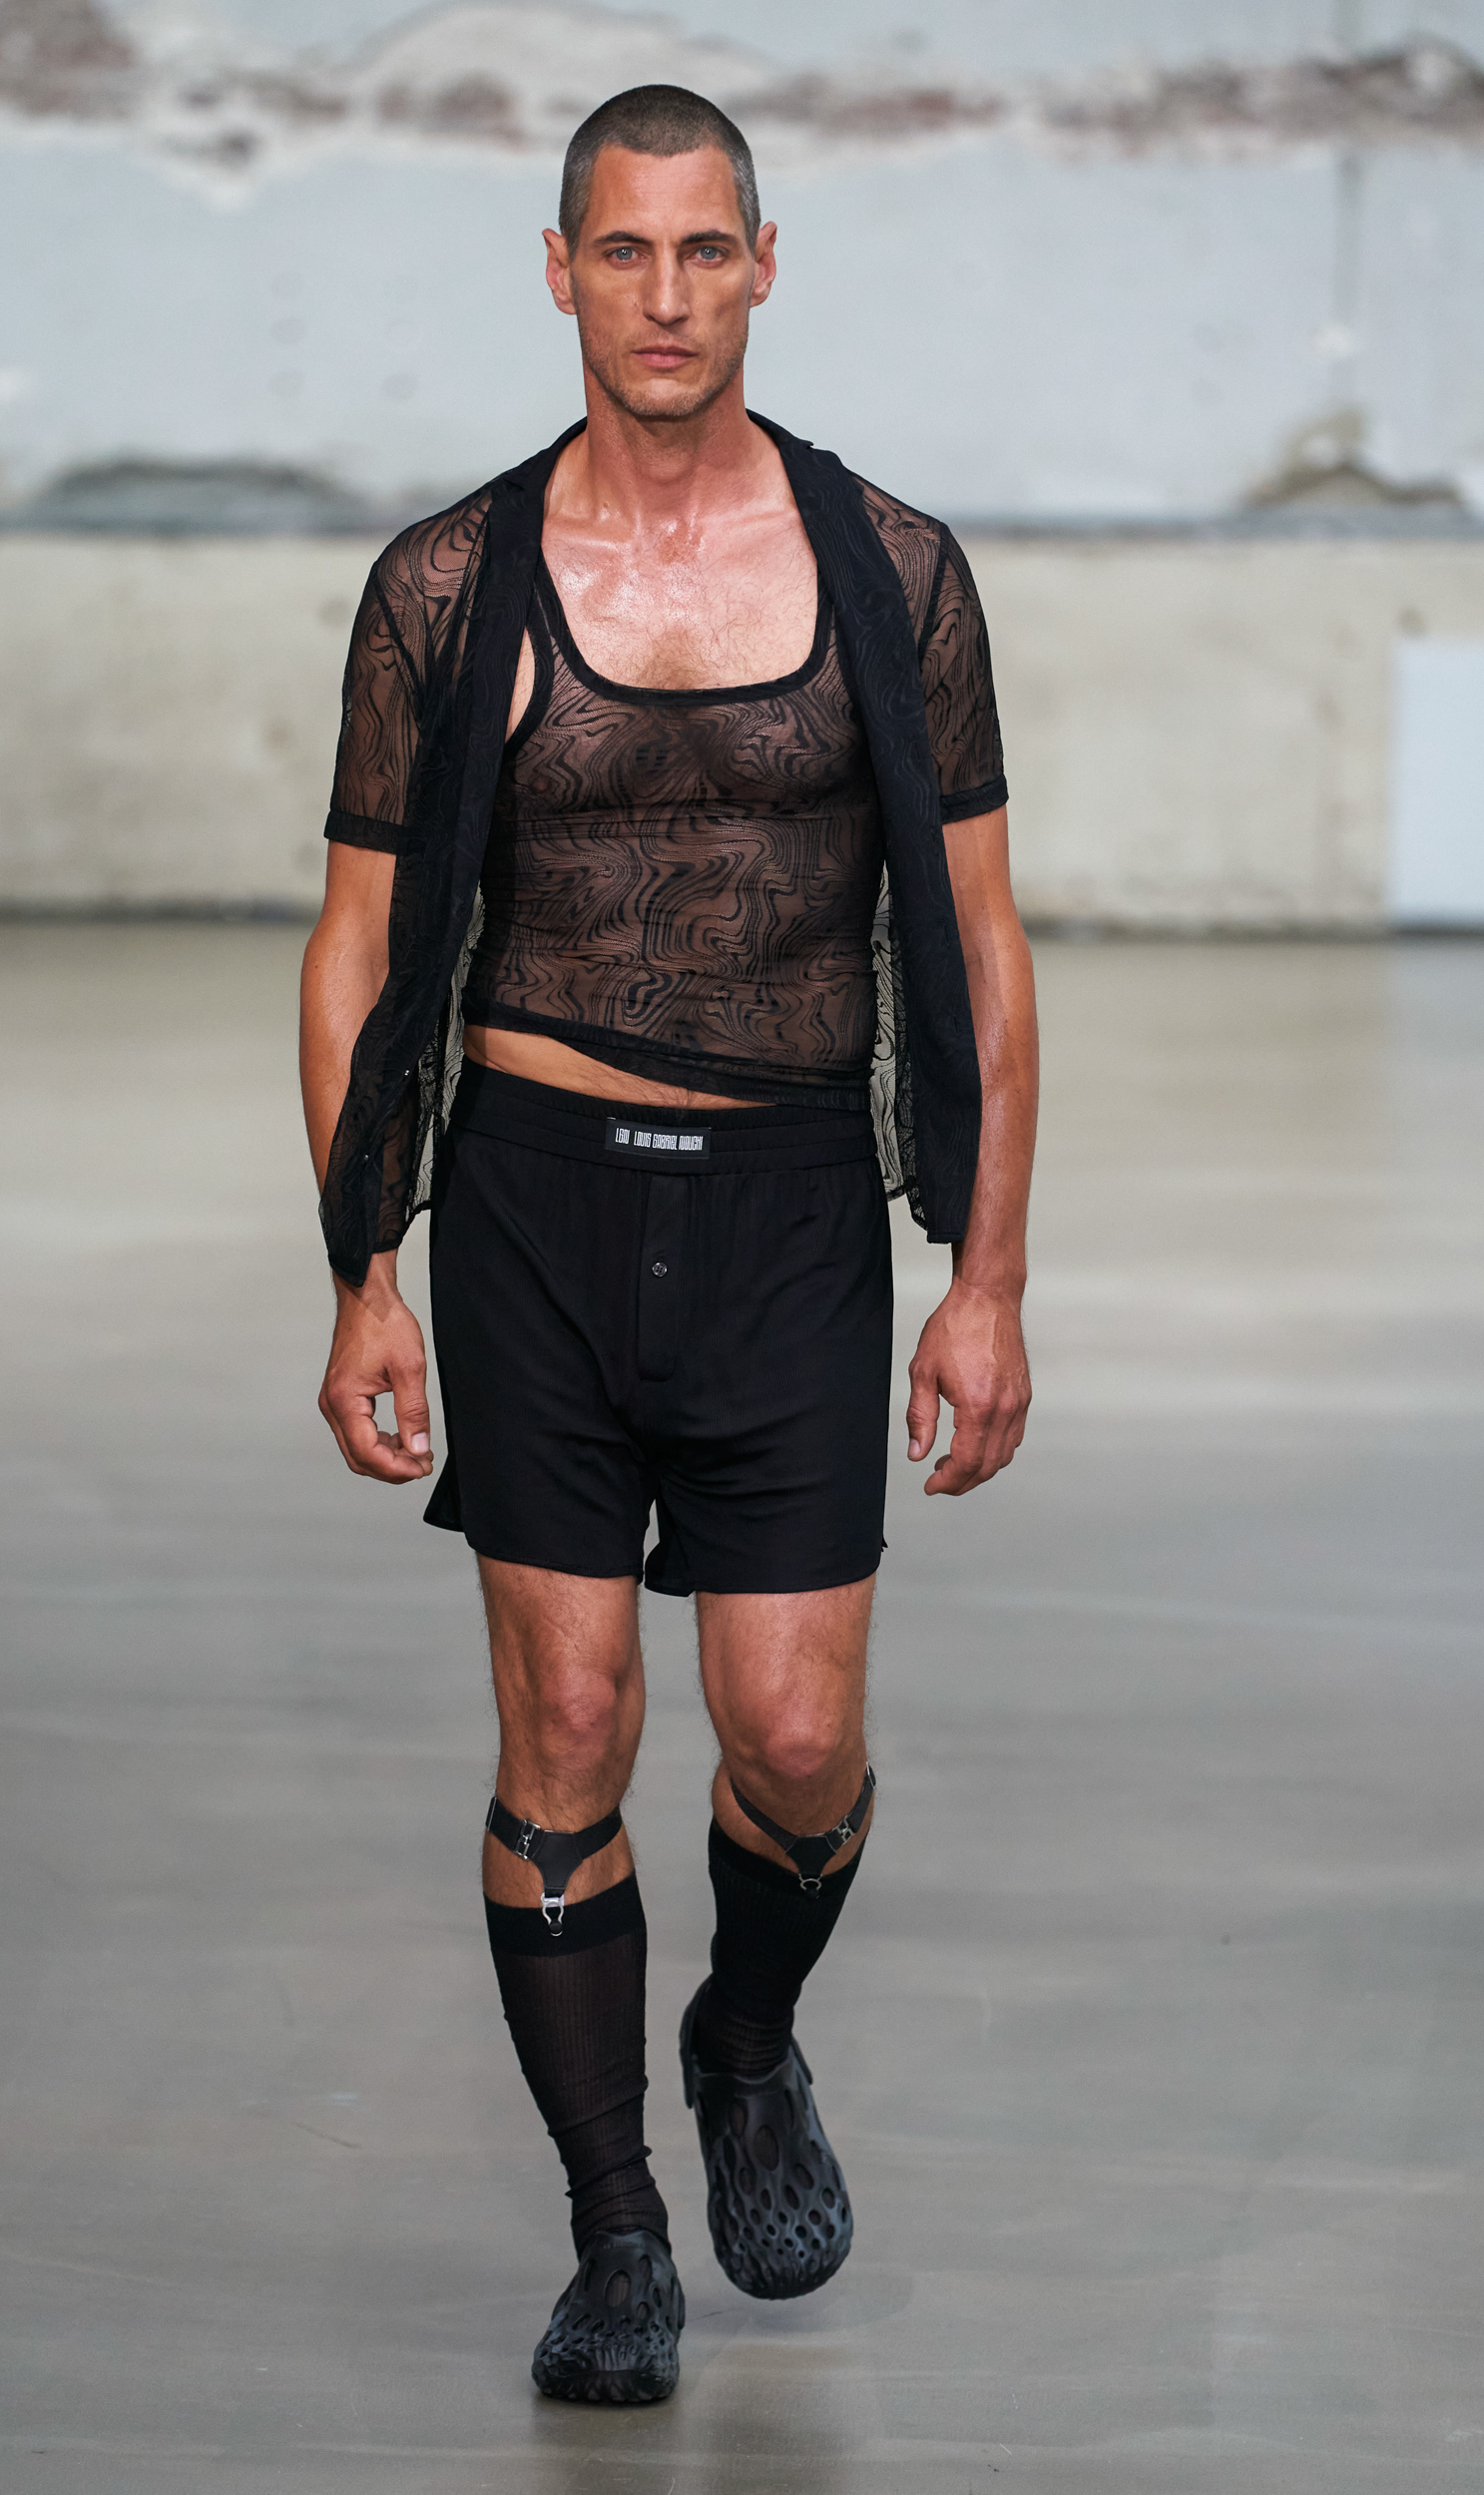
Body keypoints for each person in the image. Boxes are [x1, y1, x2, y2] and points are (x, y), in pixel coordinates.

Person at [299, 84, 1037, 2405]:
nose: (666, 295)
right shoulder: (449, 584)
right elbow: (353, 943)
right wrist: (361, 1264)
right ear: (559, 270)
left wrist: (989, 1278)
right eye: (622, 250)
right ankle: (616, 2229)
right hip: (531, 1199)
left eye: (706, 249)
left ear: (766, 263)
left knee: (796, 1737)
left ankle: (742, 2032)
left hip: (795, 1206)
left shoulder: (892, 569)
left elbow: (985, 945)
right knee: (574, 1722)